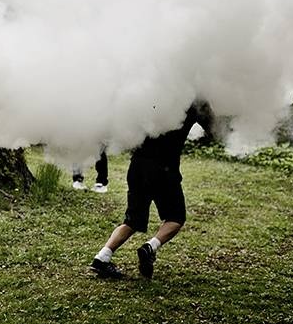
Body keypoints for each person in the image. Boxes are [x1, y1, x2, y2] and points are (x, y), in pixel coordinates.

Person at [89, 102, 213, 279]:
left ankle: (102, 258)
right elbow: (214, 129)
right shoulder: (194, 100)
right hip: (164, 169)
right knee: (176, 218)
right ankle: (150, 247)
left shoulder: (148, 91)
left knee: (132, 220)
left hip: (137, 166)